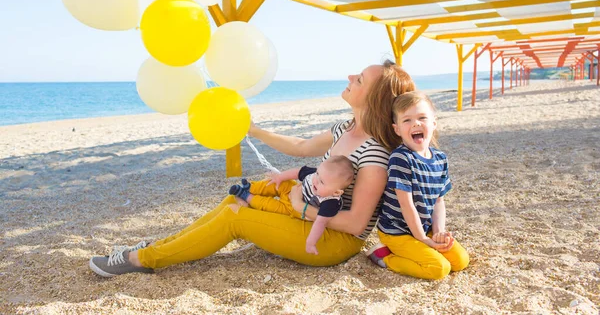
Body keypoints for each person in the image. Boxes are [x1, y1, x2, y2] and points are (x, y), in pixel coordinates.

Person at [89, 60, 415, 277]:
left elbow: (357, 225)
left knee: (237, 217)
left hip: (332, 241)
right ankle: (155, 248)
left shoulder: (375, 155)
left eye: (358, 80)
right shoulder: (345, 127)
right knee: (234, 201)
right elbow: (300, 148)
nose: (349, 77)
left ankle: (141, 261)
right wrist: (254, 130)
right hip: (311, 216)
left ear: (373, 99)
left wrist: (300, 208)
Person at [366, 91, 469, 280]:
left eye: (422, 117)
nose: (416, 123)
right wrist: (423, 239)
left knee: (460, 262)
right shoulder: (401, 158)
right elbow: (407, 204)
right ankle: (385, 256)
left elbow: (439, 202)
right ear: (397, 129)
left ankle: (420, 246)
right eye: (407, 120)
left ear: (433, 123)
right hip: (397, 231)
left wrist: (437, 233)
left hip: (424, 226)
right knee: (438, 269)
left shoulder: (440, 159)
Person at [228, 155, 354, 255]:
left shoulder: (330, 203)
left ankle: (247, 196)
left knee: (271, 206)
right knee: (280, 183)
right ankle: (251, 188)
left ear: (337, 192)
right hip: (294, 190)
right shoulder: (315, 175)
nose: (315, 180)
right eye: (317, 174)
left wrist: (311, 242)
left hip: (294, 210)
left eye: (322, 182)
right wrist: (280, 177)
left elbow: (320, 223)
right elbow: (298, 172)